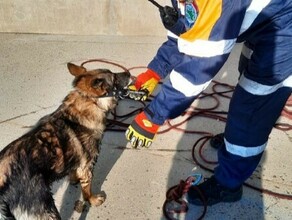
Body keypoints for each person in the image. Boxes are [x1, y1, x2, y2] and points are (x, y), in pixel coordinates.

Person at [125, 0, 292, 206]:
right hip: (269, 19)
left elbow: (199, 68)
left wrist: (153, 116)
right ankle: (235, 141)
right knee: (246, 71)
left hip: (286, 26)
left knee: (251, 104)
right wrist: (154, 71)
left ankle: (228, 185)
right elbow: (189, 30)